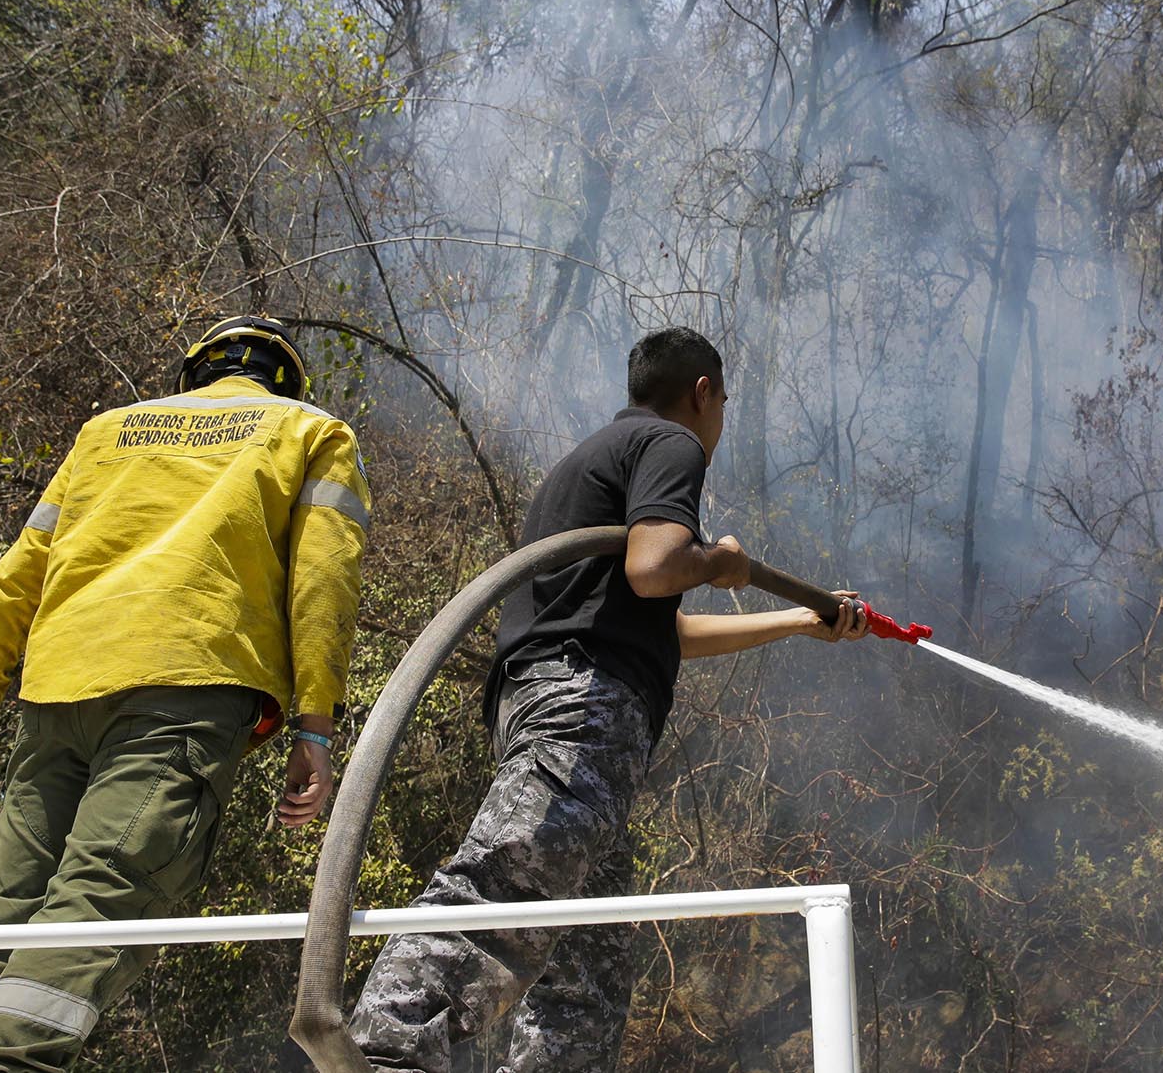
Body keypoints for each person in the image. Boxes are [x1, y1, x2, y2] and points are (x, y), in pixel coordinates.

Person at [349, 326, 868, 1072]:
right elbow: (659, 569)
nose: (719, 423)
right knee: (514, 873)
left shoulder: (585, 463)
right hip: (584, 705)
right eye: (722, 404)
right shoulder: (669, 444)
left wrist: (797, 620)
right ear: (703, 393)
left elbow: (666, 630)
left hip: (563, 699)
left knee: (587, 967)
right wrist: (717, 560)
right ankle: (387, 1049)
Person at [0, 316, 371, 1073]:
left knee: (5, 913)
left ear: (195, 373)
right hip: (190, 688)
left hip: (59, 690)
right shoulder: (310, 430)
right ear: (286, 375)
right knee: (106, 890)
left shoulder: (106, 432)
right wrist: (314, 728)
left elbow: (16, 575)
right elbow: (324, 585)